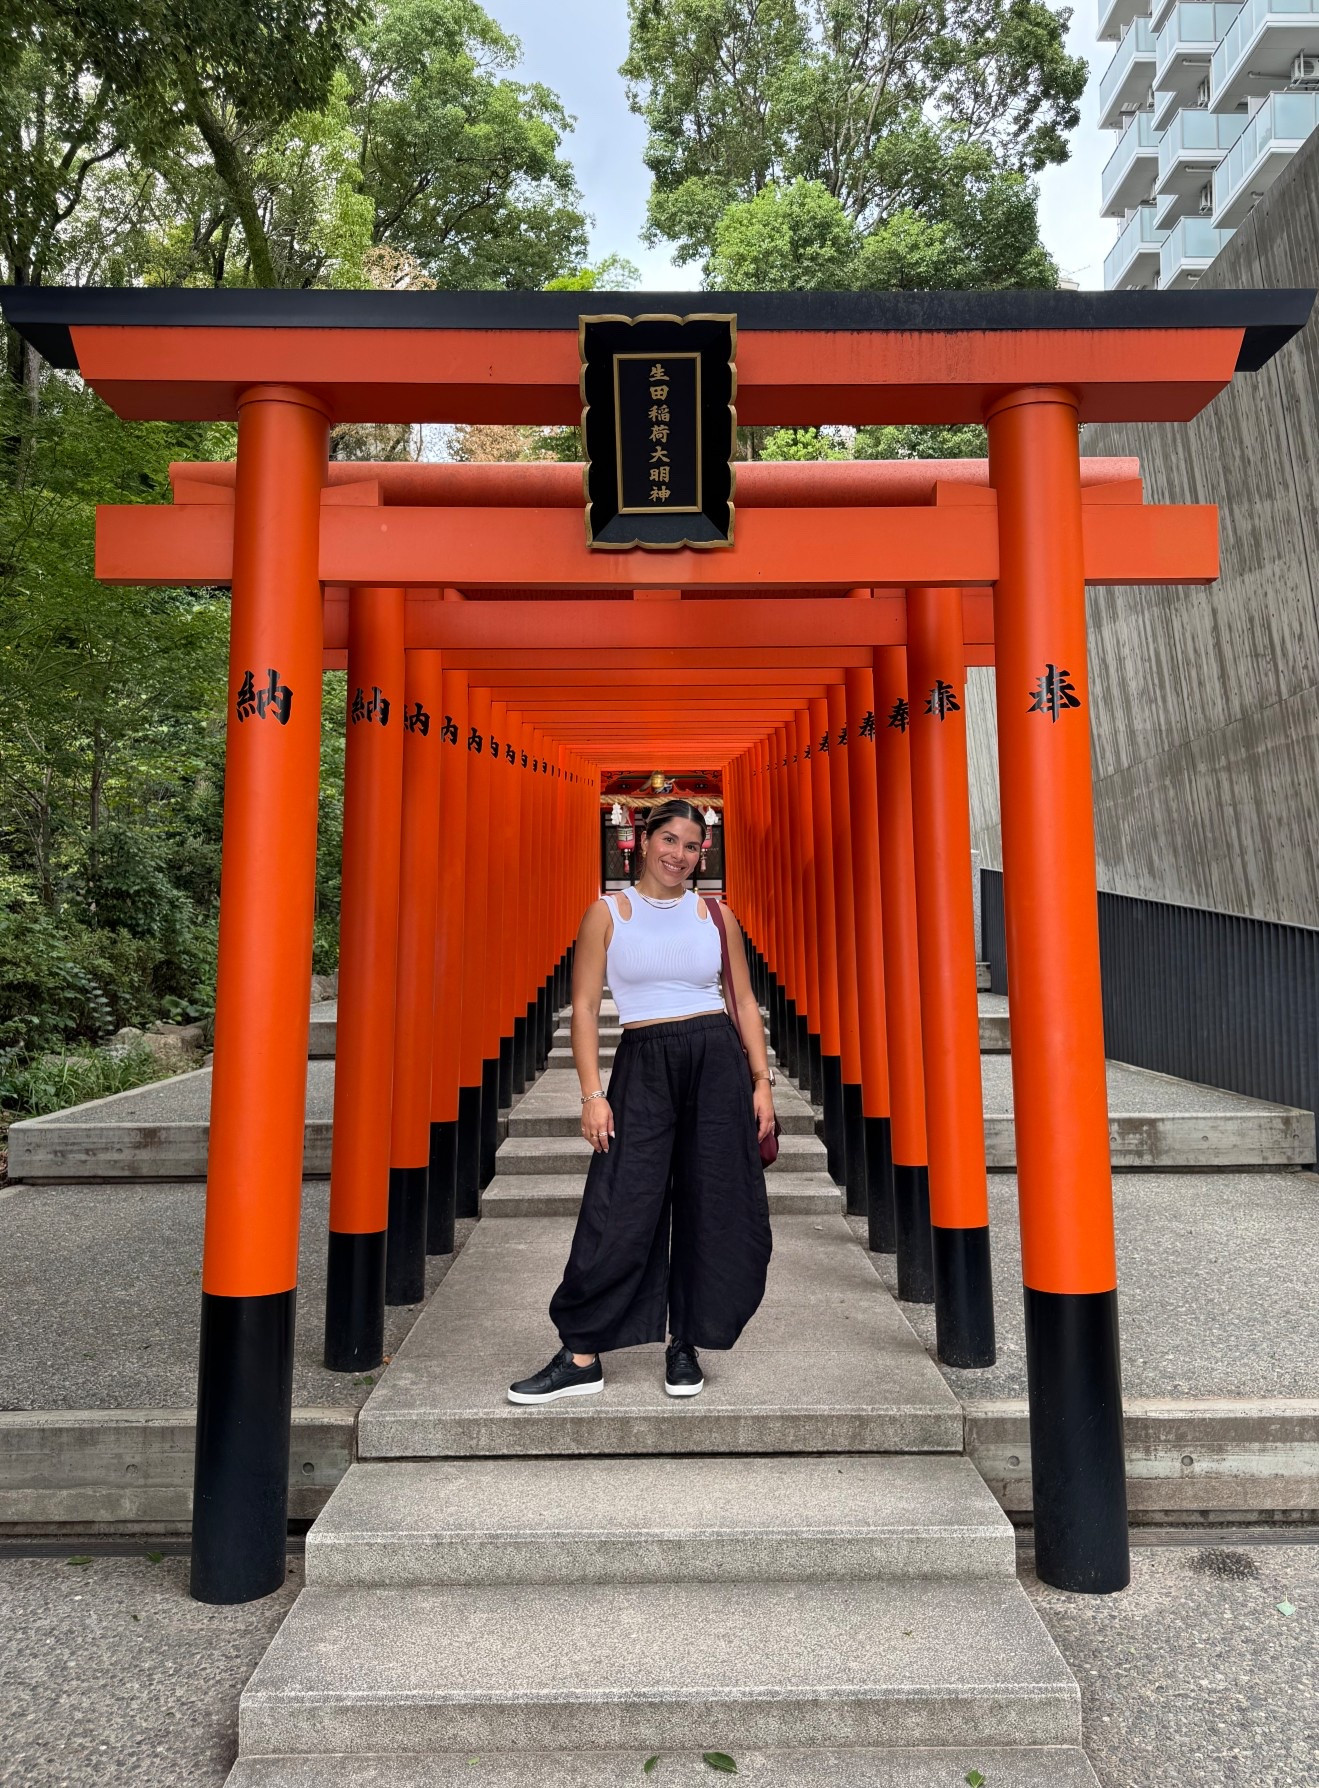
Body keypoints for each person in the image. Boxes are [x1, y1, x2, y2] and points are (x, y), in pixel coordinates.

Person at [508, 799, 776, 1404]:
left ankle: (686, 1342)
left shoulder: (716, 915)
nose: (679, 855)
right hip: (643, 1062)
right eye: (670, 840)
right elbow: (582, 1007)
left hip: (716, 1060)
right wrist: (591, 1094)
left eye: (692, 846)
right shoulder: (606, 913)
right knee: (620, 1202)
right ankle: (581, 1354)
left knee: (715, 1205)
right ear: (643, 839)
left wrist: (761, 1082)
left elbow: (742, 1003)